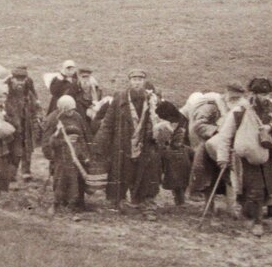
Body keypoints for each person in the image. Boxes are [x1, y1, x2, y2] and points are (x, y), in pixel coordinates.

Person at [210, 78, 272, 236]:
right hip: (245, 159)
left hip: (269, 156)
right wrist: (223, 157)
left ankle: (251, 216)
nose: (264, 97)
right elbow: (226, 135)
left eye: (266, 94)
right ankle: (256, 221)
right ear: (252, 94)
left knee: (265, 189)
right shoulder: (240, 111)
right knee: (255, 190)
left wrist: (270, 127)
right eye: (260, 94)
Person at [94, 69, 161, 215]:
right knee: (120, 171)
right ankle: (116, 201)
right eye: (134, 79)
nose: (137, 82)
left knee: (144, 172)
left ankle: (144, 201)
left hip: (144, 141)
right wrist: (100, 142)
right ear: (130, 81)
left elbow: (158, 120)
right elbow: (108, 121)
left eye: (140, 79)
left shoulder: (151, 99)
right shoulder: (120, 98)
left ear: (144, 82)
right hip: (122, 141)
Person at [41, 95, 91, 213]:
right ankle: (59, 203)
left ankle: (78, 203)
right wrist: (51, 156)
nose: (70, 112)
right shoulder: (53, 118)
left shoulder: (77, 117)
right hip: (60, 156)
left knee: (78, 179)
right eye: (68, 110)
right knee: (60, 180)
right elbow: (47, 141)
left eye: (72, 110)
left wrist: (86, 154)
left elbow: (84, 135)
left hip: (77, 155)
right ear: (61, 108)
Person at [4, 66, 42, 185]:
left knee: (27, 148)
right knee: (13, 149)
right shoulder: (6, 90)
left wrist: (37, 115)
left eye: (22, 79)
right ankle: (11, 173)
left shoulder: (28, 90)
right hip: (11, 124)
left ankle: (26, 171)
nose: (20, 82)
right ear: (12, 78)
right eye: (17, 79)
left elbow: (36, 104)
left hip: (26, 124)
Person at [154, 100, 192, 206]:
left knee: (180, 163)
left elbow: (181, 141)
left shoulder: (181, 121)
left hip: (174, 150)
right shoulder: (159, 121)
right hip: (159, 148)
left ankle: (179, 196)